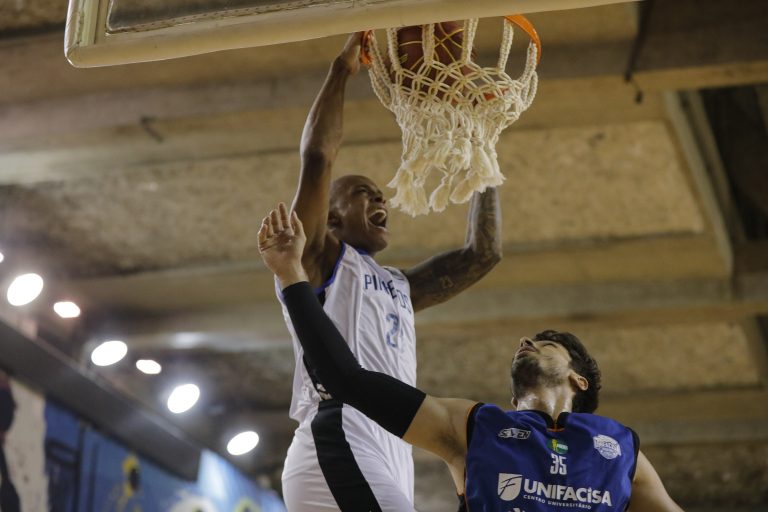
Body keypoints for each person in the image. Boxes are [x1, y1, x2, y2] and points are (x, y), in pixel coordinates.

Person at [261, 203, 684, 512]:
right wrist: (291, 275)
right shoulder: (476, 427)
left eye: (547, 344)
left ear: (579, 380)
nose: (526, 341)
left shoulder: (619, 449)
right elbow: (347, 381)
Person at [278, 33, 503, 512]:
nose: (381, 198)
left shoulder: (399, 285)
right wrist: (341, 71)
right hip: (340, 430)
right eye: (364, 192)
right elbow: (318, 159)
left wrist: (481, 150)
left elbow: (483, 254)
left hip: (392, 445)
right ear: (331, 217)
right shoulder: (319, 258)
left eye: (380, 194)